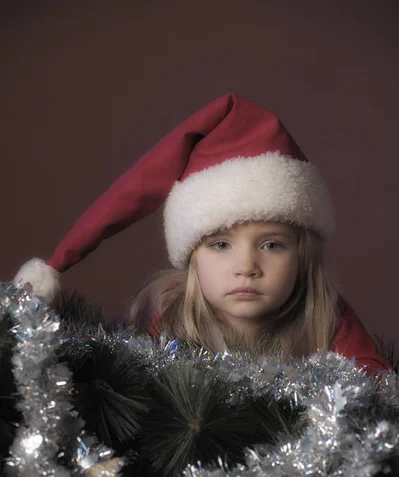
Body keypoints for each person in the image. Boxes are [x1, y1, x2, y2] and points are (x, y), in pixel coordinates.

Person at [14, 93, 391, 374]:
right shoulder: (169, 319)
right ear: (192, 256)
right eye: (221, 244)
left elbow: (381, 401)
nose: (246, 266)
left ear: (302, 256)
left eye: (272, 244)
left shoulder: (327, 319)